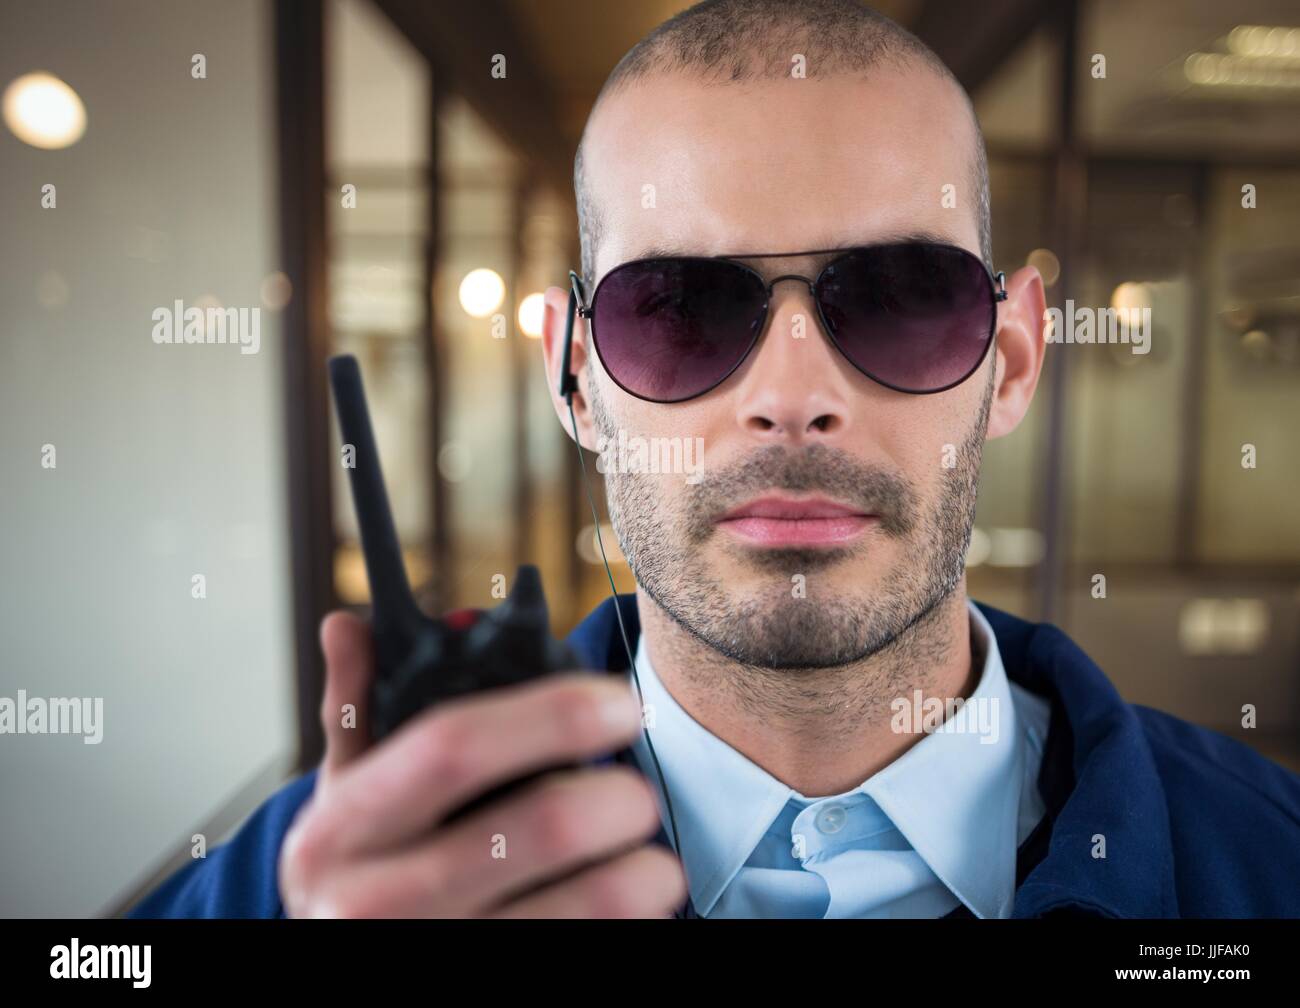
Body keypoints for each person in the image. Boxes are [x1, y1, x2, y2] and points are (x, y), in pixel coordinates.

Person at [129, 0, 1300, 919]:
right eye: (679, 307)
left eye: (898, 300)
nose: (792, 401)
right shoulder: (323, 887)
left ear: (1014, 357)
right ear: (572, 376)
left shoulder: (1265, 859)